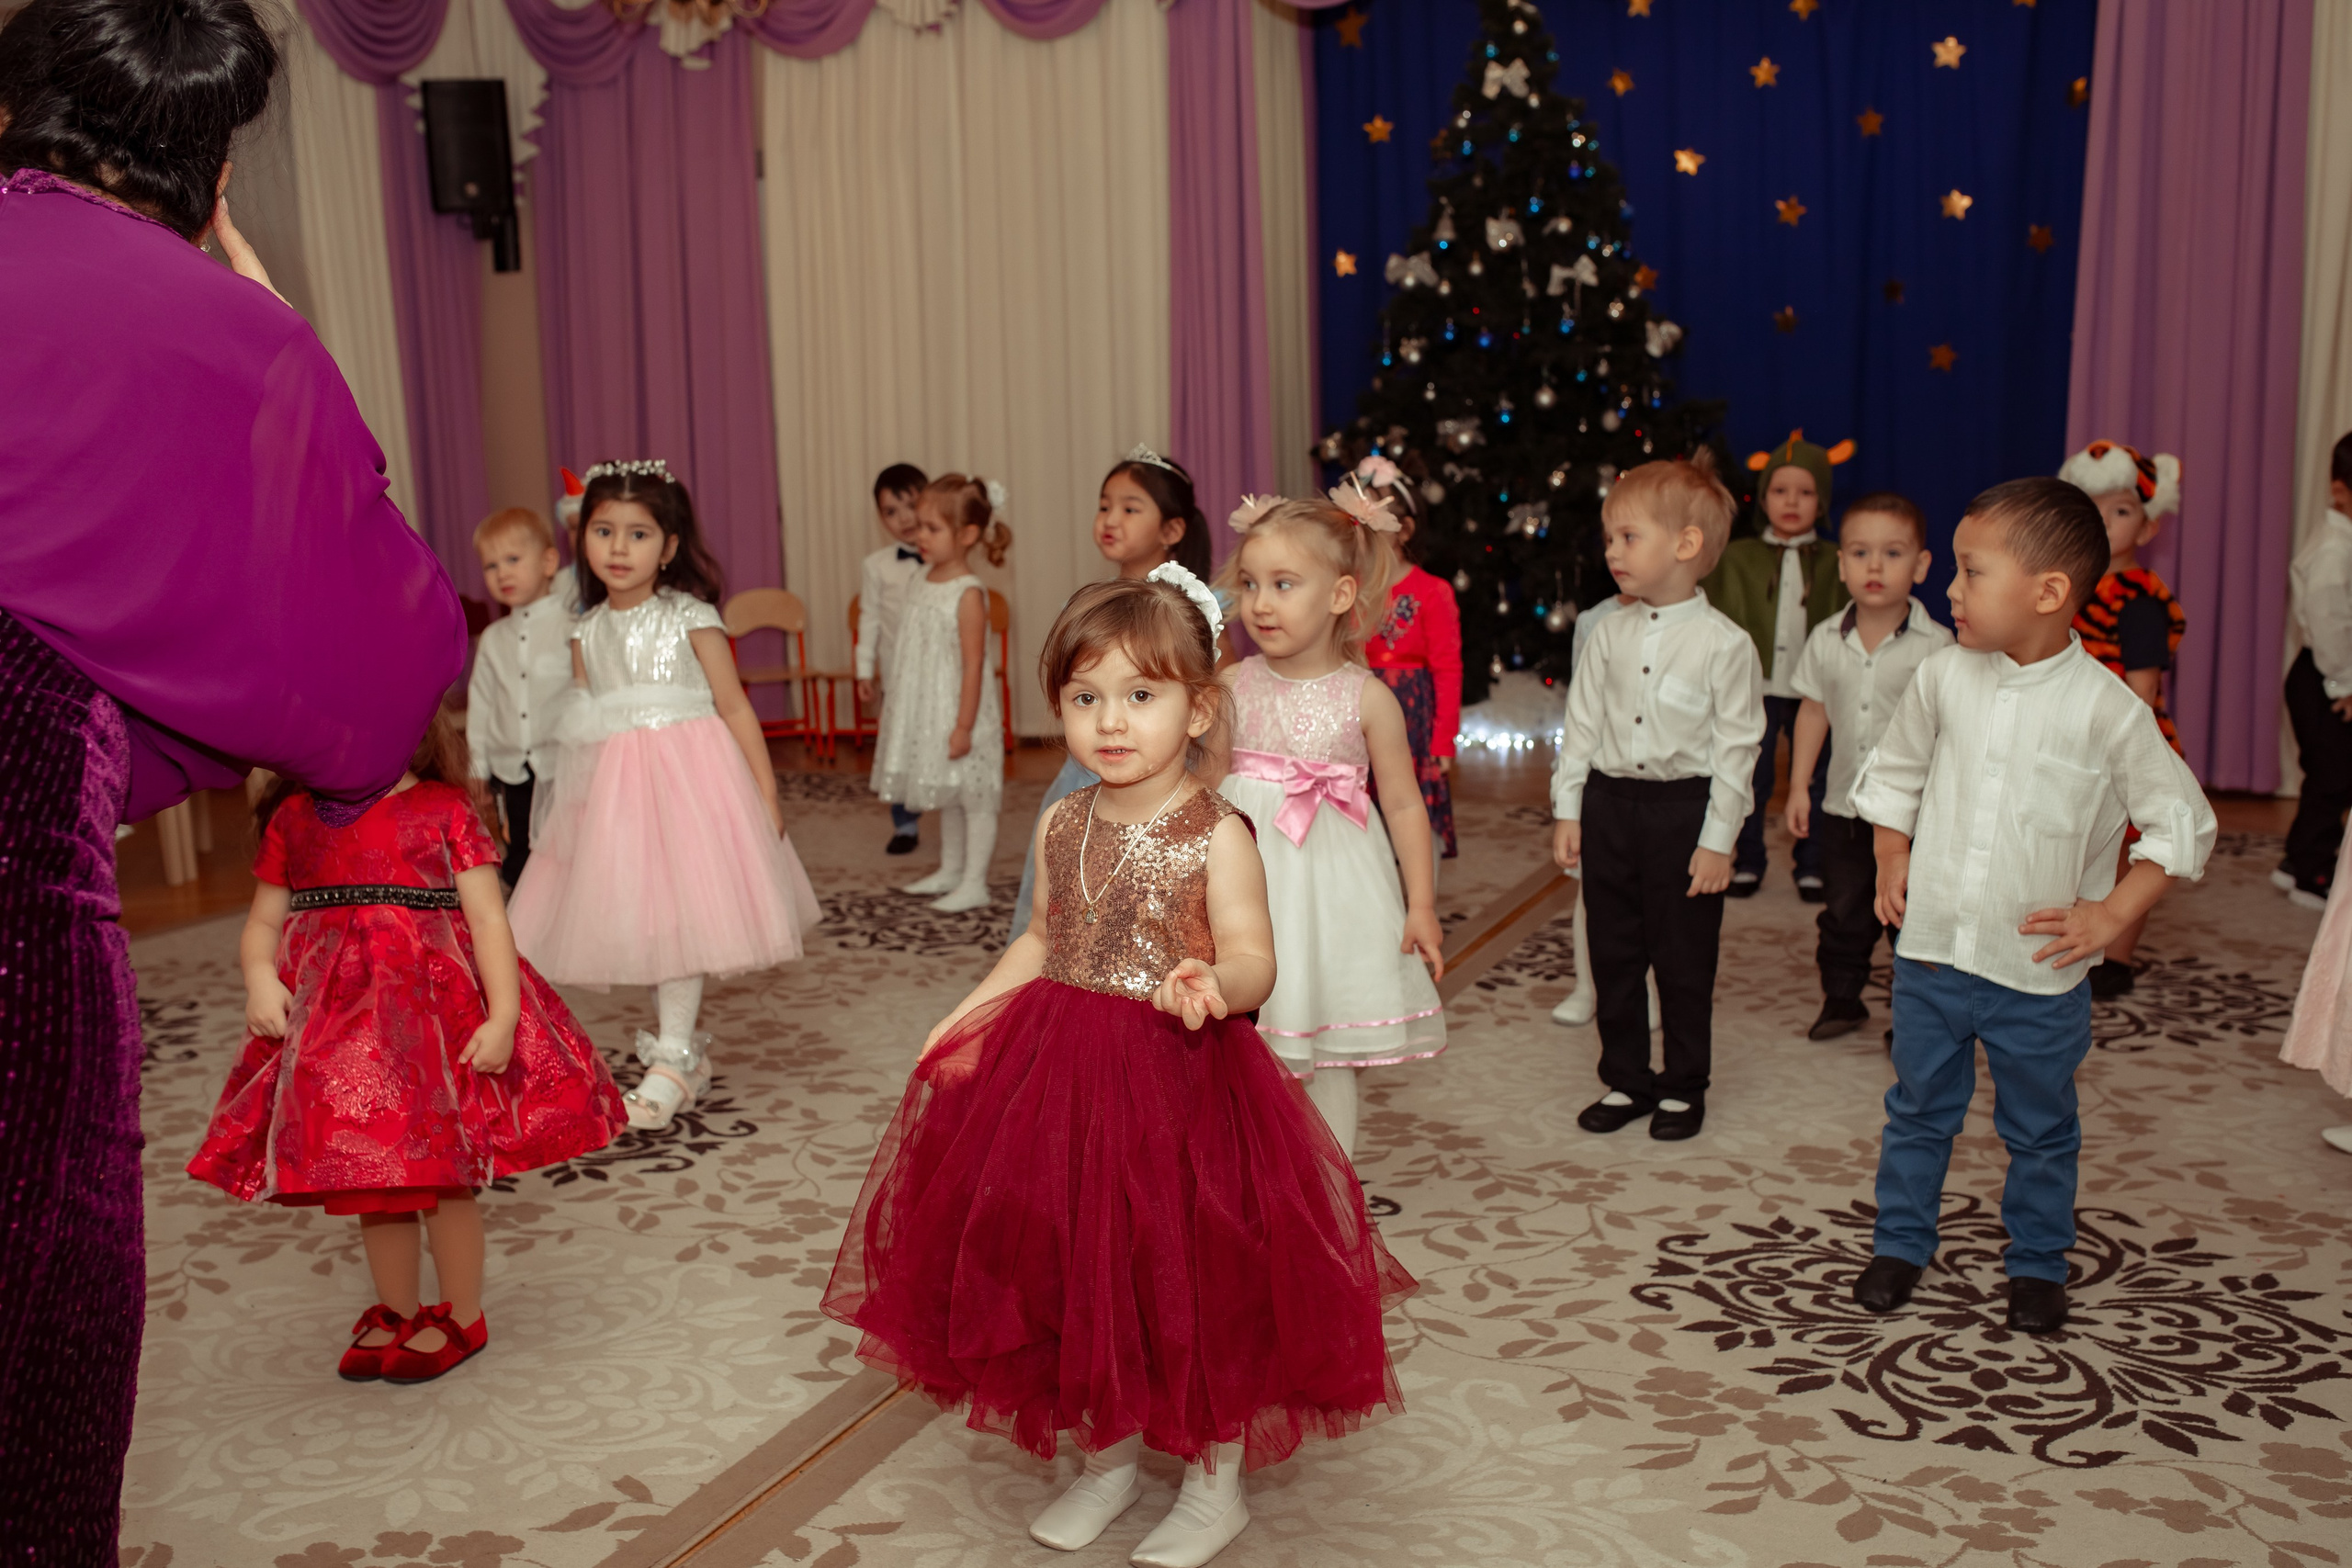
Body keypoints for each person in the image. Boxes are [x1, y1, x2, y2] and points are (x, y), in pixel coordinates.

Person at [0, 1, 466, 1553]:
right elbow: (380, 678)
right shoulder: (217, 326)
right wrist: (278, 335)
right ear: (208, 158)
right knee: (31, 1283)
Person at [824, 574, 1413, 1568]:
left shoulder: (1218, 831)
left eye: (1142, 696)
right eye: (1085, 697)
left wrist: (1213, 985)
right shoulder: (1063, 822)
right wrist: (962, 1015)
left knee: (1192, 1280)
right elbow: (1044, 939)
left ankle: (1212, 1482)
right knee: (1069, 1265)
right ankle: (1105, 1459)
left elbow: (1255, 958)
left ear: (1199, 708)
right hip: (1060, 1076)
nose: (1111, 721)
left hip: (1181, 1084)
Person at [1848, 478, 2215, 1335]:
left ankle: (2037, 1262)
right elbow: (1896, 774)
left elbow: (2181, 826)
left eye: (1972, 573)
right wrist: (1891, 852)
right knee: (1917, 1111)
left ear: (2048, 592)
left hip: (2037, 974)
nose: (1951, 589)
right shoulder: (1943, 676)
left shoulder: (2111, 711)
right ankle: (1901, 1243)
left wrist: (2109, 915)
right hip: (1934, 950)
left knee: (2041, 1128)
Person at [188, 710, 624, 1382]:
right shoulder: (296, 817)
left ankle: (461, 1311)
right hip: (340, 1032)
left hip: (426, 1023)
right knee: (372, 1174)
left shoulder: (442, 807)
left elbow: (486, 917)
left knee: (439, 1170)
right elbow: (265, 918)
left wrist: (503, 1013)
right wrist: (257, 977)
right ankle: (398, 1307)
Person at [508, 460, 821, 1131]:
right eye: (604, 530)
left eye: (639, 534)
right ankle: (679, 1052)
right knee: (648, 915)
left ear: (671, 546)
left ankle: (675, 1054)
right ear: (581, 539)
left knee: (684, 912)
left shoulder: (691, 617)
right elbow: (587, 723)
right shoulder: (585, 631)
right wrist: (578, 814)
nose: (619, 549)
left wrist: (765, 794)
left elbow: (735, 708)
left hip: (691, 780)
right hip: (619, 792)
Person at [1219, 488, 1447, 1159]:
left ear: (1341, 594)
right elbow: (1201, 787)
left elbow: (1405, 804)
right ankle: (1248, 1173)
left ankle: (1331, 1184)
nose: (1261, 603)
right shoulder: (1233, 684)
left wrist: (1422, 904)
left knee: (1327, 1040)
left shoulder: (1368, 698)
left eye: (1284, 584)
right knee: (1240, 1036)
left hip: (1334, 892)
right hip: (1248, 881)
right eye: (1252, 584)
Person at [1552, 451, 1763, 1142]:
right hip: (1611, 804)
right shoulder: (1606, 633)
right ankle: (1626, 1078)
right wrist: (1569, 807)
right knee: (1613, 951)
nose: (1612, 550)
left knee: (1682, 958)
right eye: (1609, 537)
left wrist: (1718, 840)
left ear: (1687, 544)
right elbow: (1581, 725)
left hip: (1684, 812)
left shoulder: (1725, 645)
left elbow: (1737, 750)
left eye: (1628, 536)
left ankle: (1682, 1084)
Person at [1006, 445, 1219, 940]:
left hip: (1156, 775)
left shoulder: (1196, 612)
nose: (1110, 518)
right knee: (1063, 900)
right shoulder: (1084, 606)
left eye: (1130, 507)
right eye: (1105, 505)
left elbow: (1209, 710)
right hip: (1082, 777)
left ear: (1172, 530)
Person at [1783, 493, 1952, 1041]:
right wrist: (1798, 788)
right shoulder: (1825, 638)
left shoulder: (1940, 647)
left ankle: (1914, 1020)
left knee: (1912, 920)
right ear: (1841, 565)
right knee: (1844, 912)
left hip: (1915, 820)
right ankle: (1842, 999)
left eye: (1892, 552)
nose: (1874, 566)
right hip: (1844, 808)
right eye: (1860, 552)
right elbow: (1813, 712)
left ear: (1922, 565)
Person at [2058, 440, 2188, 998]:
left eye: (2122, 510)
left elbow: (2143, 688)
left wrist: (2121, 747)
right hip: (2075, 736)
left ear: (2149, 527)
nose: (2105, 522)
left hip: (2124, 741)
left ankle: (2119, 957)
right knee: (2084, 847)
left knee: (2128, 856)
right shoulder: (2072, 586)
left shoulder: (2136, 597)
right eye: (2093, 509)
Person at [1704, 433, 1851, 899]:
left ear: (1822, 501)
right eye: (1780, 490)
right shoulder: (1736, 558)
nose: (1792, 501)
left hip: (1816, 692)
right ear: (1763, 497)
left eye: (1806, 492)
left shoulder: (1836, 562)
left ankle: (1811, 863)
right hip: (1756, 687)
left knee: (1818, 775)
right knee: (1752, 772)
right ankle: (1748, 857)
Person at [874, 474, 1013, 912]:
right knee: (948, 792)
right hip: (929, 709)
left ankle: (975, 881)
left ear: (967, 534)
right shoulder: (920, 578)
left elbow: (974, 664)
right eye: (919, 526)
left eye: (932, 529)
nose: (920, 536)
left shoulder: (968, 593)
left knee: (973, 796)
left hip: (961, 712)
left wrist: (964, 725)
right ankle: (951, 870)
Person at [1551, 591, 1661, 1033]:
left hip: (1657, 782)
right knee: (1591, 894)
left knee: (1654, 895)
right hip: (1600, 776)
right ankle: (1587, 986)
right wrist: (1568, 793)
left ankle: (1648, 988)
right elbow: (1581, 709)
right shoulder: (1595, 620)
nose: (1618, 553)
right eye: (1613, 539)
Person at [1354, 455, 1464, 862]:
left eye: (1375, 514)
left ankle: (1421, 899)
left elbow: (1448, 669)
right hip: (1362, 713)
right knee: (1367, 814)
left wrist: (1443, 740)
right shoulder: (1349, 589)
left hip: (1414, 719)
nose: (1363, 524)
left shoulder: (1433, 591)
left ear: (1406, 530)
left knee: (1416, 810)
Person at [466, 507, 573, 890]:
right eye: (491, 565)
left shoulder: (571, 624)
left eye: (513, 559)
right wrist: (478, 766)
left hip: (562, 761)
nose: (502, 573)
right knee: (524, 844)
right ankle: (527, 900)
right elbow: (481, 704)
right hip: (513, 766)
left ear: (548, 562)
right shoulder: (494, 638)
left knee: (569, 840)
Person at [2282, 431, 2352, 910]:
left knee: (2329, 772)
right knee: (2335, 777)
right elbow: (2331, 628)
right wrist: (2345, 684)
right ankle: (2312, 873)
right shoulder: (2334, 552)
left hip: (2331, 672)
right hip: (2327, 676)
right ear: (2341, 490)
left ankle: (2293, 860)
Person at [854, 462, 931, 855]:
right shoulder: (876, 566)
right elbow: (868, 620)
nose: (903, 519)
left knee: (937, 744)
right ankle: (904, 825)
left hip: (938, 676)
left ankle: (949, 812)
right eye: (890, 511)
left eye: (911, 505)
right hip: (897, 677)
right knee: (898, 748)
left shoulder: (943, 558)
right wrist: (864, 670)